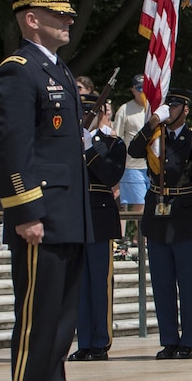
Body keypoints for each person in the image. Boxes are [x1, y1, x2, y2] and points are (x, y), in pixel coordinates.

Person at [0, 0, 96, 381]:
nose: (69, 20)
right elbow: (12, 149)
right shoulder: (19, 69)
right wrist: (24, 211)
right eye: (59, 14)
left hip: (68, 216)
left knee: (60, 325)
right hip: (40, 218)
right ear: (32, 20)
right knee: (37, 322)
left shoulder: (57, 70)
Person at [128, 88, 192, 360]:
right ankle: (168, 339)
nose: (170, 109)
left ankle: (187, 341)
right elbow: (133, 151)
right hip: (157, 219)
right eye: (168, 104)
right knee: (162, 283)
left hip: (186, 217)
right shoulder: (154, 137)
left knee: (187, 284)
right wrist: (152, 122)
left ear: (186, 110)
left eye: (176, 105)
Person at [69, 91, 126, 362]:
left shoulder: (114, 144)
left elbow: (110, 176)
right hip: (75, 218)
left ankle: (100, 342)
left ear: (102, 112)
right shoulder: (68, 142)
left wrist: (90, 149)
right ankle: (85, 342)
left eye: (89, 111)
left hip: (100, 219)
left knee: (99, 283)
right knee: (79, 285)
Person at [113, 74, 150, 240]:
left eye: (146, 88)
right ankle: (140, 239)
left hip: (152, 165)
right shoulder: (124, 109)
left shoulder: (154, 108)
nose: (142, 92)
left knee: (150, 203)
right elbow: (117, 138)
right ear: (133, 90)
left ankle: (139, 237)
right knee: (139, 203)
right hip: (132, 165)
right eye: (139, 88)